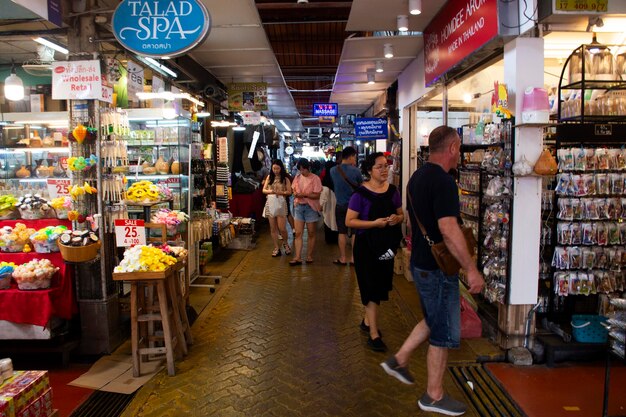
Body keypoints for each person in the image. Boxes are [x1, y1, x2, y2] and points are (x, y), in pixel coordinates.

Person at [380, 126, 484, 416]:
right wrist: (471, 269)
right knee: (443, 331)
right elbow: (449, 229)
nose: (460, 153)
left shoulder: (417, 177)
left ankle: (399, 359)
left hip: (423, 261)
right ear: (451, 148)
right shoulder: (444, 182)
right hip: (439, 268)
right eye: (460, 147)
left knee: (433, 318)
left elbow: (415, 222)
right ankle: (433, 396)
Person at [345, 152, 404, 352]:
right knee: (370, 287)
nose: (384, 169)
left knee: (380, 285)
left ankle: (366, 320)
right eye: (379, 167)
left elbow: (401, 214)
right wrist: (374, 224)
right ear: (369, 170)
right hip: (365, 247)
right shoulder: (359, 194)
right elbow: (349, 221)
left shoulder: (393, 191)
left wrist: (397, 219)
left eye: (386, 166)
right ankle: (374, 334)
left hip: (387, 246)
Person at [330, 146, 363, 265]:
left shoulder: (333, 170)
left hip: (340, 205)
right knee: (355, 233)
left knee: (342, 232)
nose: (355, 159)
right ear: (350, 157)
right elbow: (361, 186)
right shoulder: (356, 171)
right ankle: (353, 258)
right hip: (355, 207)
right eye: (354, 157)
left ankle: (343, 258)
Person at [290, 158, 323, 265]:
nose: (302, 172)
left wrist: (304, 195)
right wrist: (295, 193)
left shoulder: (315, 179)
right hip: (299, 206)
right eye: (300, 170)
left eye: (304, 170)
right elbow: (293, 189)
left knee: (311, 232)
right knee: (298, 233)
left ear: (308, 168)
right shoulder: (298, 177)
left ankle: (309, 256)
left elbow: (317, 195)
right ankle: (298, 257)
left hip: (311, 208)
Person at [262, 159, 292, 257]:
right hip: (270, 203)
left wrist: (281, 193)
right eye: (274, 168)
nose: (275, 170)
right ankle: (276, 247)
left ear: (281, 168)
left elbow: (289, 192)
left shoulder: (285, 179)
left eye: (277, 168)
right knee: (273, 228)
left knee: (282, 228)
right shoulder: (269, 177)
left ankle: (285, 243)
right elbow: (264, 190)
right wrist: (271, 192)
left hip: (280, 204)